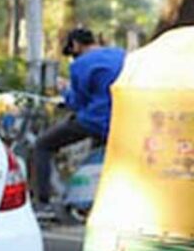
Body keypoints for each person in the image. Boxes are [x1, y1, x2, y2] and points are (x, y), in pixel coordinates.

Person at [31, 28, 125, 214]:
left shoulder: (81, 64)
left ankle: (43, 202)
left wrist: (65, 90)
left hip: (97, 121)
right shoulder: (120, 55)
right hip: (123, 119)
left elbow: (77, 102)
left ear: (75, 45)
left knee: (42, 145)